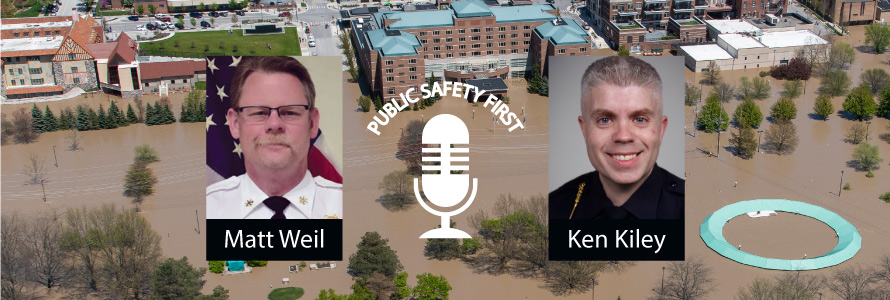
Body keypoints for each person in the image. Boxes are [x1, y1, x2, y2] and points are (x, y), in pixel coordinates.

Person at [207, 57, 342, 219]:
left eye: (290, 112)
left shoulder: (344, 206)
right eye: (259, 112)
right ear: (235, 124)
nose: (274, 124)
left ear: (312, 123)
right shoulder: (209, 210)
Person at [549, 56, 683, 220]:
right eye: (604, 120)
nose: (623, 136)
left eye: (640, 119)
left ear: (661, 130)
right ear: (584, 130)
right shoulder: (554, 208)